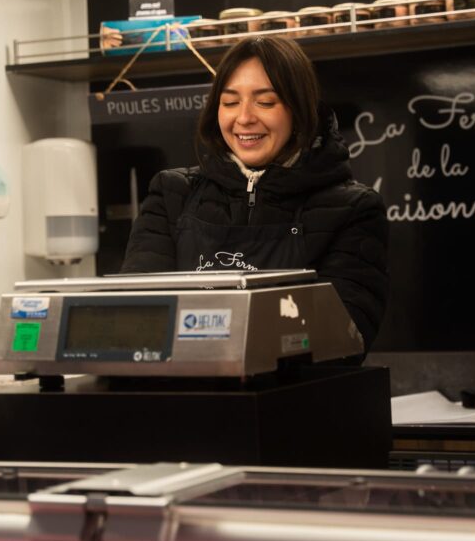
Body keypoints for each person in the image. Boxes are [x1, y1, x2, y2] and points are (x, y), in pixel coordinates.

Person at [122, 34, 388, 353]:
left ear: (299, 109)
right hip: (184, 398)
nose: (244, 118)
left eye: (265, 102)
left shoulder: (354, 209)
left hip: (290, 399)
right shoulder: (171, 193)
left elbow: (341, 342)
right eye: (230, 102)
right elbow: (136, 321)